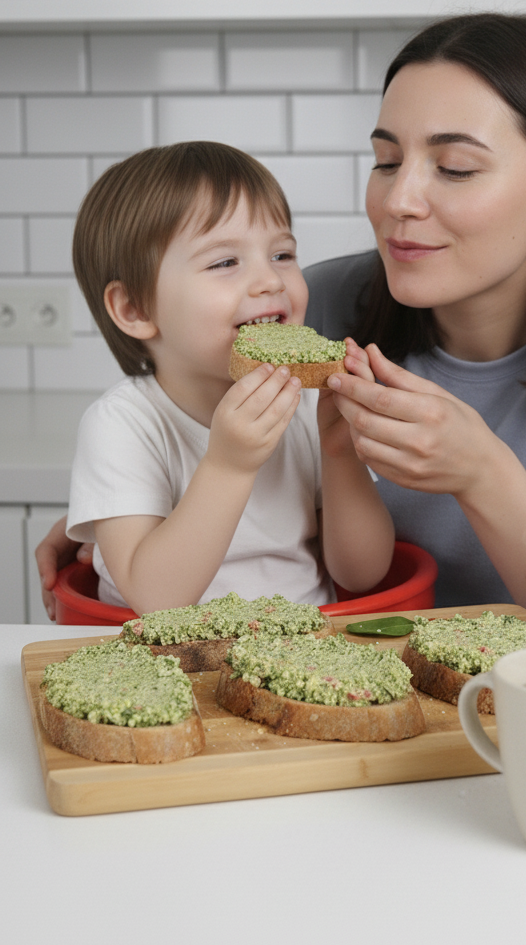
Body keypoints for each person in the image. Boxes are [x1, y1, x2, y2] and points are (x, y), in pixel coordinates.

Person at [38, 15, 526, 629]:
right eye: (386, 161)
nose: (399, 199)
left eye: (455, 168)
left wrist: (484, 474)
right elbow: (174, 389)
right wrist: (112, 520)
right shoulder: (319, 310)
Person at [46, 141, 393, 616]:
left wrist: (341, 455)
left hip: (302, 658)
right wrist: (230, 465)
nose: (270, 280)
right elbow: (154, 599)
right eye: (225, 262)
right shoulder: (123, 425)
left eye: (283, 254)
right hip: (166, 670)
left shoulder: (307, 411)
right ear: (135, 309)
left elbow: (363, 573)